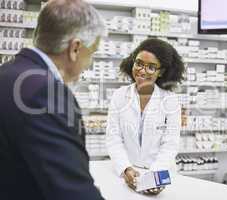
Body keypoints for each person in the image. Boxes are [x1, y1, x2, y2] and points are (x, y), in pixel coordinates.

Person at [0, 0, 107, 199]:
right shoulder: (45, 92)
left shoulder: (7, 72)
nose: (89, 63)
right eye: (91, 53)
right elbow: (72, 191)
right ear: (75, 48)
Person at [106, 38, 185, 195]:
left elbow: (170, 144)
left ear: (161, 71)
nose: (142, 70)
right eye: (139, 63)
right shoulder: (119, 96)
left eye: (151, 67)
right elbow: (113, 138)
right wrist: (126, 168)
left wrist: (154, 176)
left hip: (159, 170)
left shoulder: (171, 101)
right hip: (129, 171)